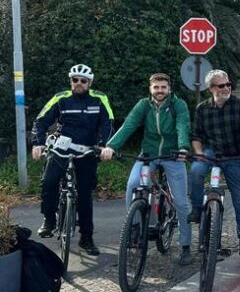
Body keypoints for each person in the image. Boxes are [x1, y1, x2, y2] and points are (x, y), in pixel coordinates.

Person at [100, 73, 193, 265]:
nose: (160, 91)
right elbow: (129, 125)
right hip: (148, 154)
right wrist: (111, 146)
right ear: (150, 89)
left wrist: (183, 147)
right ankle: (134, 228)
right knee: (134, 184)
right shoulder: (144, 105)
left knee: (182, 203)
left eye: (163, 87)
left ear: (169, 89)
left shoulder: (178, 105)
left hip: (173, 155)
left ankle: (185, 246)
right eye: (156, 87)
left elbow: (182, 126)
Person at [31, 64, 114, 256]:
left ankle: (87, 238)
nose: (78, 83)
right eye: (74, 80)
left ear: (89, 83)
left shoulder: (100, 98)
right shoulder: (61, 98)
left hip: (87, 150)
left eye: (83, 81)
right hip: (62, 148)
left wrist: (105, 145)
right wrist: (38, 143)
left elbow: (107, 123)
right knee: (49, 181)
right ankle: (49, 220)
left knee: (85, 195)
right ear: (70, 81)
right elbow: (41, 121)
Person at [187, 70, 240, 267]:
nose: (227, 88)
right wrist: (199, 152)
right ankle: (196, 209)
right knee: (195, 171)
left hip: (234, 156)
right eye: (222, 85)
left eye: (229, 84)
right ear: (211, 89)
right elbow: (196, 136)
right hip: (210, 153)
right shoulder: (202, 109)